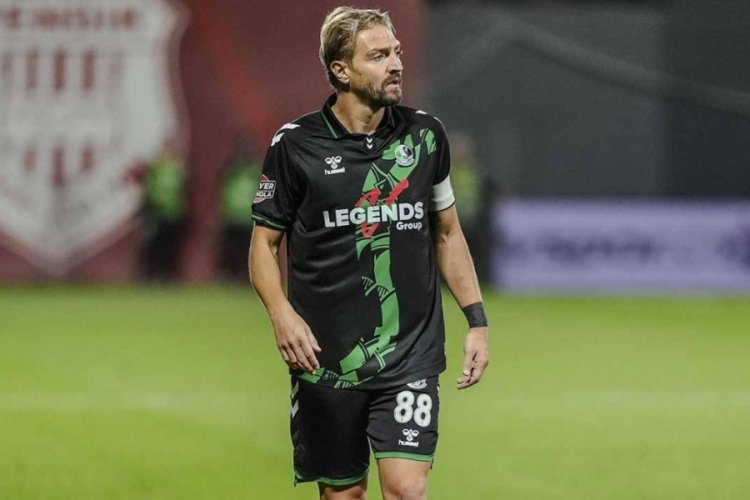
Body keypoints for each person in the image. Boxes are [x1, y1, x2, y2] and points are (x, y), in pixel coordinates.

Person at [249, 7, 489, 500]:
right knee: (344, 495)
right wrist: (280, 314)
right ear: (341, 70)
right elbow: (264, 244)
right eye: (378, 56)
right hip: (326, 357)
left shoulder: (425, 136)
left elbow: (447, 234)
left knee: (407, 490)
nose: (396, 64)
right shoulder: (296, 145)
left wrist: (477, 320)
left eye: (396, 52)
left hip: (411, 352)